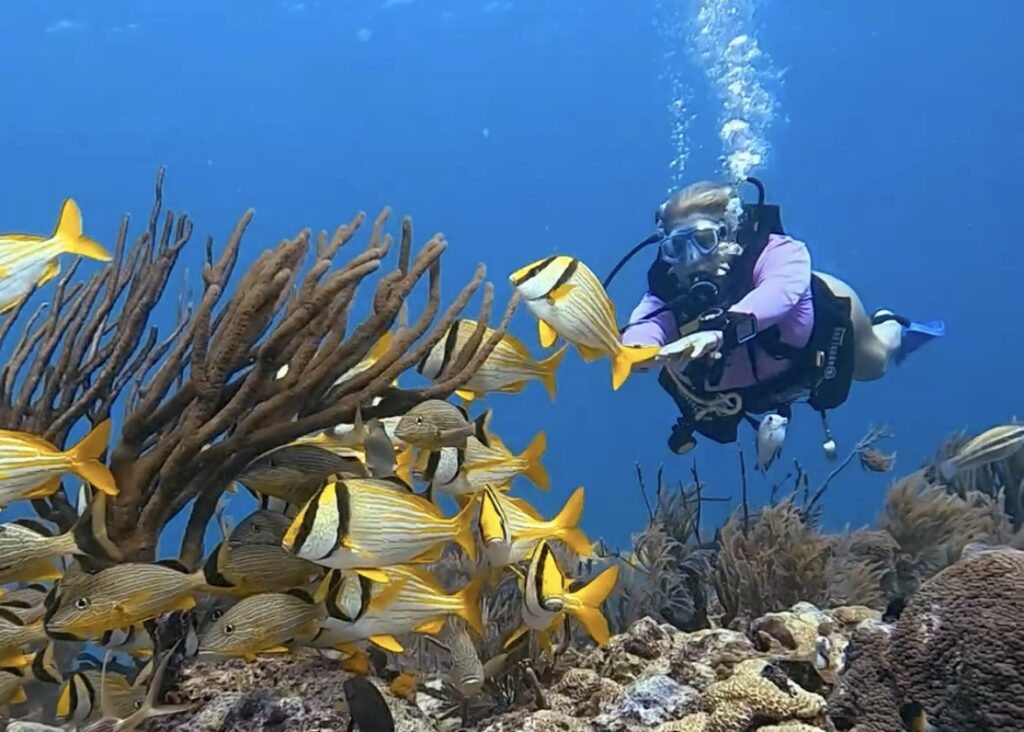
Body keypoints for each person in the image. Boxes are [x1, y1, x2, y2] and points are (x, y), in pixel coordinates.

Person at [608, 177, 945, 456]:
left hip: (825, 320)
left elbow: (780, 293)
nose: (692, 259)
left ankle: (890, 326)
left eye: (703, 241)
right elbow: (645, 325)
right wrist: (639, 354)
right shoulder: (666, 292)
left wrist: (720, 331)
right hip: (766, 383)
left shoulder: (779, 252)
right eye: (677, 249)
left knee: (874, 365)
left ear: (727, 234)